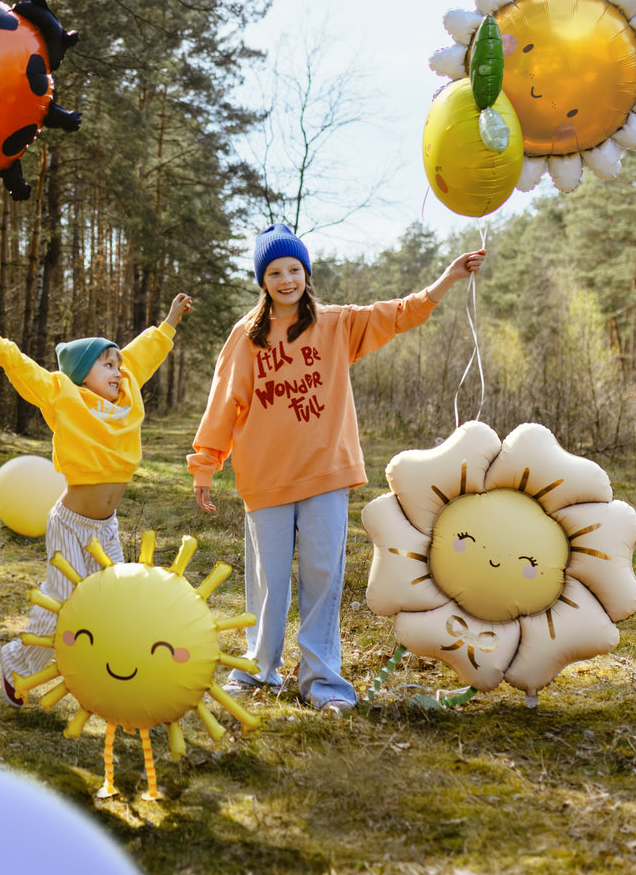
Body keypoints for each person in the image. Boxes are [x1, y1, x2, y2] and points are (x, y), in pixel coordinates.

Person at [188, 223, 485, 717]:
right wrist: (205, 465)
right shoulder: (245, 336)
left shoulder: (336, 324)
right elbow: (224, 402)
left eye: (295, 270)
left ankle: (322, 682)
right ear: (263, 279)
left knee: (324, 578)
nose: (287, 280)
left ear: (307, 273)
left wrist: (446, 280)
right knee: (268, 581)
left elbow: (397, 314)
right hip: (267, 479)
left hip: (326, 473)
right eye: (276, 271)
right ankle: (257, 670)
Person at [0, 294, 193, 705]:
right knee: (61, 603)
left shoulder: (127, 388)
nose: (118, 371)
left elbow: (144, 352)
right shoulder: (64, 395)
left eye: (118, 364)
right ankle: (16, 659)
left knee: (117, 599)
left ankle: (111, 674)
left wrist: (169, 321)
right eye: (108, 365)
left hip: (106, 526)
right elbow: (23, 368)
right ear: (83, 373)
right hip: (70, 523)